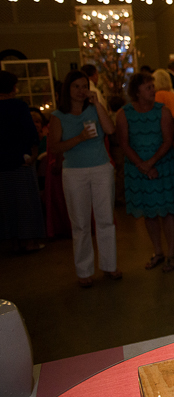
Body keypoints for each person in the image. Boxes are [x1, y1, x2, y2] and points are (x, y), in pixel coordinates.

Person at [48, 70, 120, 287]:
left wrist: (97, 104)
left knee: (106, 218)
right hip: (74, 172)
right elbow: (54, 147)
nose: (81, 91)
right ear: (67, 89)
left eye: (84, 86)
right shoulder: (58, 116)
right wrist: (78, 138)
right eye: (76, 87)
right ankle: (84, 270)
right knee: (80, 223)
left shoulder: (94, 109)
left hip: (100, 167)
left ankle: (110, 265)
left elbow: (110, 129)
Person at [116, 73, 174, 272]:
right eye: (148, 87)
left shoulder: (162, 111)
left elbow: (168, 140)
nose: (152, 90)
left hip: (162, 165)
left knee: (168, 210)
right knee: (149, 212)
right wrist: (142, 165)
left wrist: (151, 163)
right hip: (138, 167)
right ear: (136, 91)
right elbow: (124, 143)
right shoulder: (124, 113)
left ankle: (171, 253)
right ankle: (158, 251)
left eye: (152, 86)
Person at [0, 70, 46, 253]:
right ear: (12, 87)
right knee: (25, 203)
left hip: (1, 164)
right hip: (20, 162)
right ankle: (29, 241)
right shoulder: (19, 106)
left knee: (5, 205)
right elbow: (31, 134)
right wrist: (33, 154)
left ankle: (10, 242)